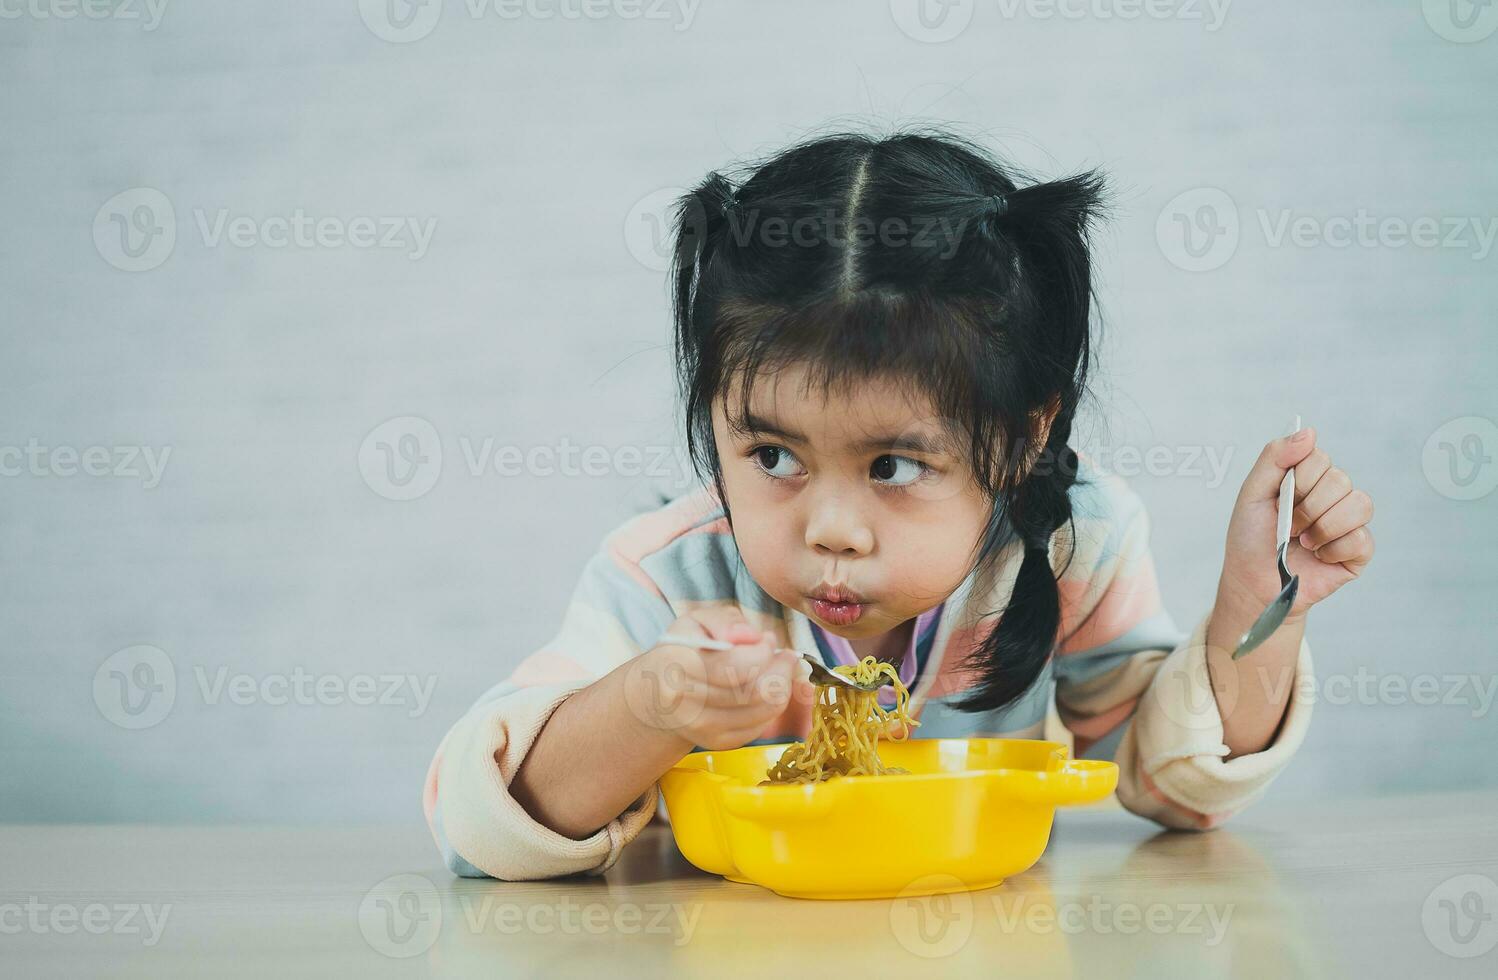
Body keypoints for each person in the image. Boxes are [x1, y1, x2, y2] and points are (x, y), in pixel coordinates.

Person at [423, 129, 1375, 880]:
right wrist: (647, 706)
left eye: (893, 467)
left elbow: (1177, 786)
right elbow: (481, 829)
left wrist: (1260, 605)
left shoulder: (1070, 544)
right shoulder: (670, 577)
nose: (831, 529)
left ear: (1023, 436)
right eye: (770, 454)